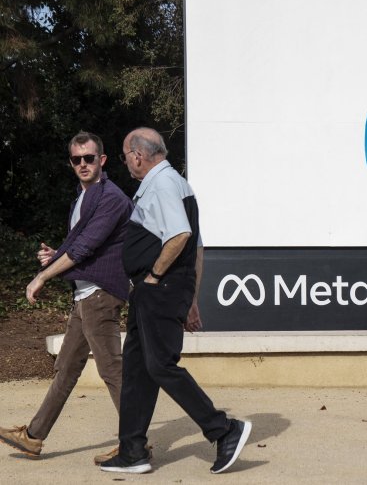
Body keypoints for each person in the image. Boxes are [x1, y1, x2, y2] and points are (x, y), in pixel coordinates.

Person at [100, 127, 250, 475]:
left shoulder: (164, 184)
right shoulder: (173, 184)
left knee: (159, 365)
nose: (127, 164)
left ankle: (223, 429)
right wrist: (191, 297)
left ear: (137, 155)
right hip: (160, 290)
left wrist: (153, 276)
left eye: (125, 157)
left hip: (159, 288)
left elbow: (181, 236)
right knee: (138, 370)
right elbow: (197, 245)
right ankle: (132, 451)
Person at [0, 132, 133, 462]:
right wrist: (58, 253)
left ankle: (136, 443)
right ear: (71, 163)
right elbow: (84, 246)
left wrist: (43, 276)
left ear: (102, 160)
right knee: (66, 369)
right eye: (77, 159)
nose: (84, 164)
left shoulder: (111, 198)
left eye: (89, 158)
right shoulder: (82, 197)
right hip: (85, 295)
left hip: (101, 295)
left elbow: (87, 247)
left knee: (112, 370)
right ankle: (33, 436)